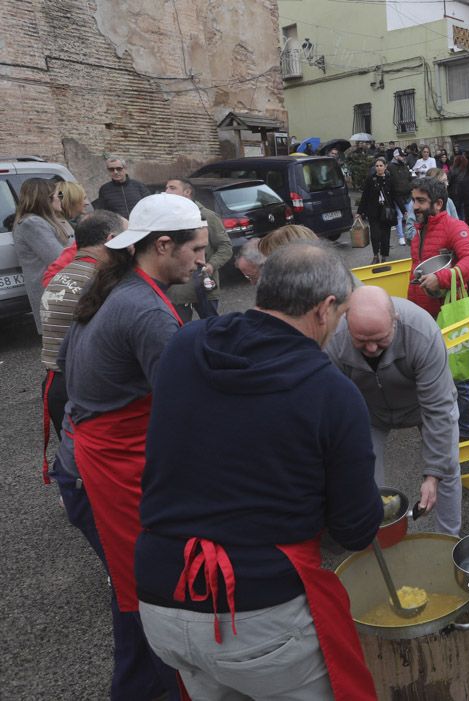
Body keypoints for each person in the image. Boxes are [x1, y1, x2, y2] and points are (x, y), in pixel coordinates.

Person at [136, 241, 381, 700]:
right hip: (257, 613)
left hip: (161, 595)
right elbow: (355, 527)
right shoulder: (331, 390)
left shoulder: (188, 344)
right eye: (344, 314)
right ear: (325, 308)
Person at [53, 193, 208, 699]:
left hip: (86, 463)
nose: (204, 260)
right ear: (162, 245)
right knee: (157, 601)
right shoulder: (145, 311)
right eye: (198, 249)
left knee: (136, 598)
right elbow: (186, 416)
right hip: (110, 472)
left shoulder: (115, 284)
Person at [326, 285, 462, 536]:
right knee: (363, 477)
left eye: (379, 340)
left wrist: (433, 474)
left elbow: (438, 408)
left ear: (395, 322)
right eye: (361, 341)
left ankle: (448, 540)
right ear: (347, 321)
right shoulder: (334, 336)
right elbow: (335, 404)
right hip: (369, 411)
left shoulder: (420, 330)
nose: (370, 349)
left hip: (423, 405)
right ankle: (376, 538)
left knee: (447, 468)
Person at [40, 211, 125, 451]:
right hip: (84, 386)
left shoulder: (62, 274)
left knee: (76, 462)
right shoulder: (97, 280)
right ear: (111, 239)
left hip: (58, 383)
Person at [408, 175, 469, 440]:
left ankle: (467, 432)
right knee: (433, 375)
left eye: (420, 201)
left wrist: (441, 278)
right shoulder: (418, 230)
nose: (414, 206)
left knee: (459, 375)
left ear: (438, 203)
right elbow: (415, 271)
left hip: (450, 312)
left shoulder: (455, 226)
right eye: (413, 200)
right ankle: (445, 427)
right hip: (426, 315)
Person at [163, 178, 233, 321]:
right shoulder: (167, 218)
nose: (166, 192)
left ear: (187, 192)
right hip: (177, 290)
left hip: (204, 286)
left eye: (172, 188)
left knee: (212, 329)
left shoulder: (208, 216)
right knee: (179, 331)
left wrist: (211, 265)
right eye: (166, 188)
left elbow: (225, 247)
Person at [12, 178, 71, 333]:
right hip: (53, 291)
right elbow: (58, 258)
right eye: (57, 194)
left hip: (59, 288)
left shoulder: (44, 221)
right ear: (45, 199)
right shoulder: (32, 223)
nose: (60, 198)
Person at [357, 156, 395, 264]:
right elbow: (365, 196)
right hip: (373, 212)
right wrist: (359, 212)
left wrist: (404, 210)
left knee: (385, 235)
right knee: (375, 235)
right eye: (377, 166)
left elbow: (395, 195)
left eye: (381, 166)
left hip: (386, 212)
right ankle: (375, 255)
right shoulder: (371, 179)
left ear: (385, 166)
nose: (378, 168)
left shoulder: (389, 179)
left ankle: (384, 255)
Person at [388, 148, 414, 245]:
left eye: (404, 156)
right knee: (399, 216)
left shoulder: (404, 165)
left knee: (411, 215)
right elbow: (393, 184)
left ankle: (410, 235)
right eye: (401, 156)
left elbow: (408, 178)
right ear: (396, 156)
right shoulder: (391, 167)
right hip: (397, 196)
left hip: (408, 194)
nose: (403, 157)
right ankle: (401, 236)